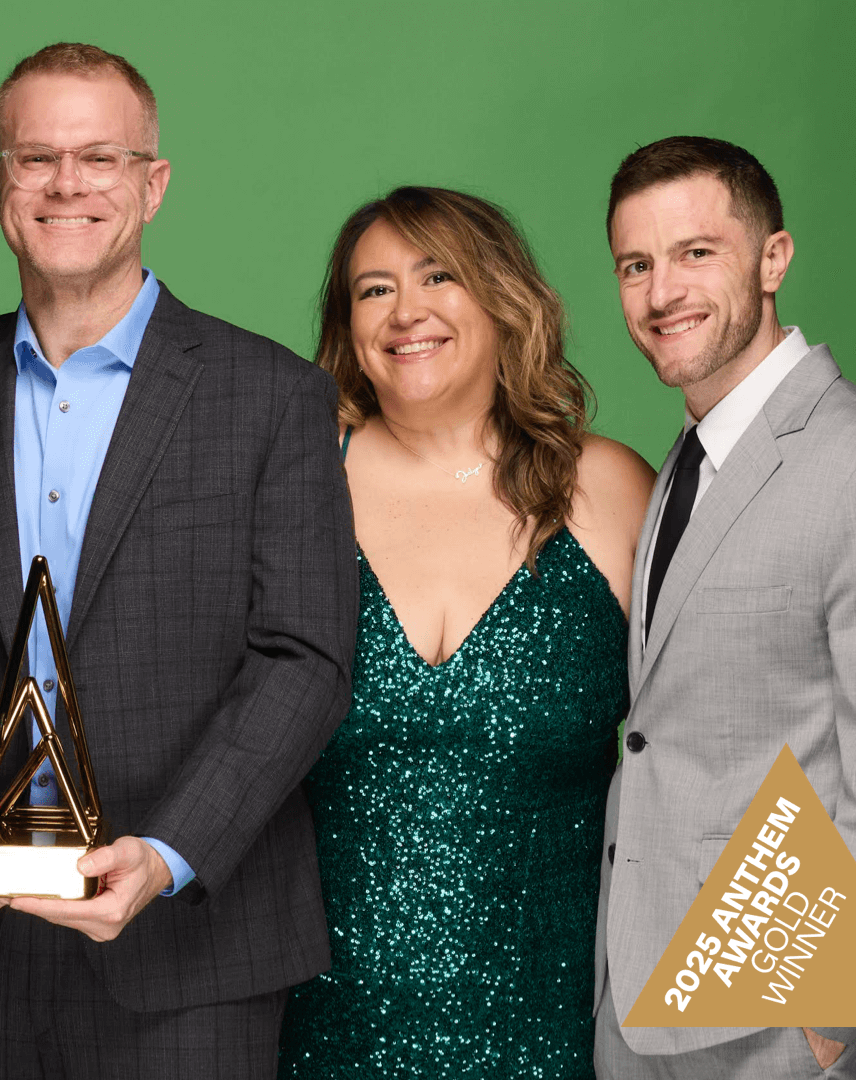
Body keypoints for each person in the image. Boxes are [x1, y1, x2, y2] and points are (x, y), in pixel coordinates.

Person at [0, 42, 356, 1079]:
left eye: (101, 158)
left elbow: (303, 659)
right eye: (36, 159)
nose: (68, 185)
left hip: (192, 951)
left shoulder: (271, 399)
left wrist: (169, 855)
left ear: (153, 183)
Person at [595, 137, 856, 1079]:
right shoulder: (689, 456)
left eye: (697, 253)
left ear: (774, 258)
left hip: (774, 1011)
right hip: (640, 996)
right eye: (636, 265)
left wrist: (830, 1016)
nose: (661, 293)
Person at [276, 187, 655, 1077]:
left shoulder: (609, 489)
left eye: (437, 275)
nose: (406, 311)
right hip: (318, 1029)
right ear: (348, 326)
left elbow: (715, 745)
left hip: (556, 1028)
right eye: (373, 290)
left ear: (501, 297)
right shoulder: (292, 489)